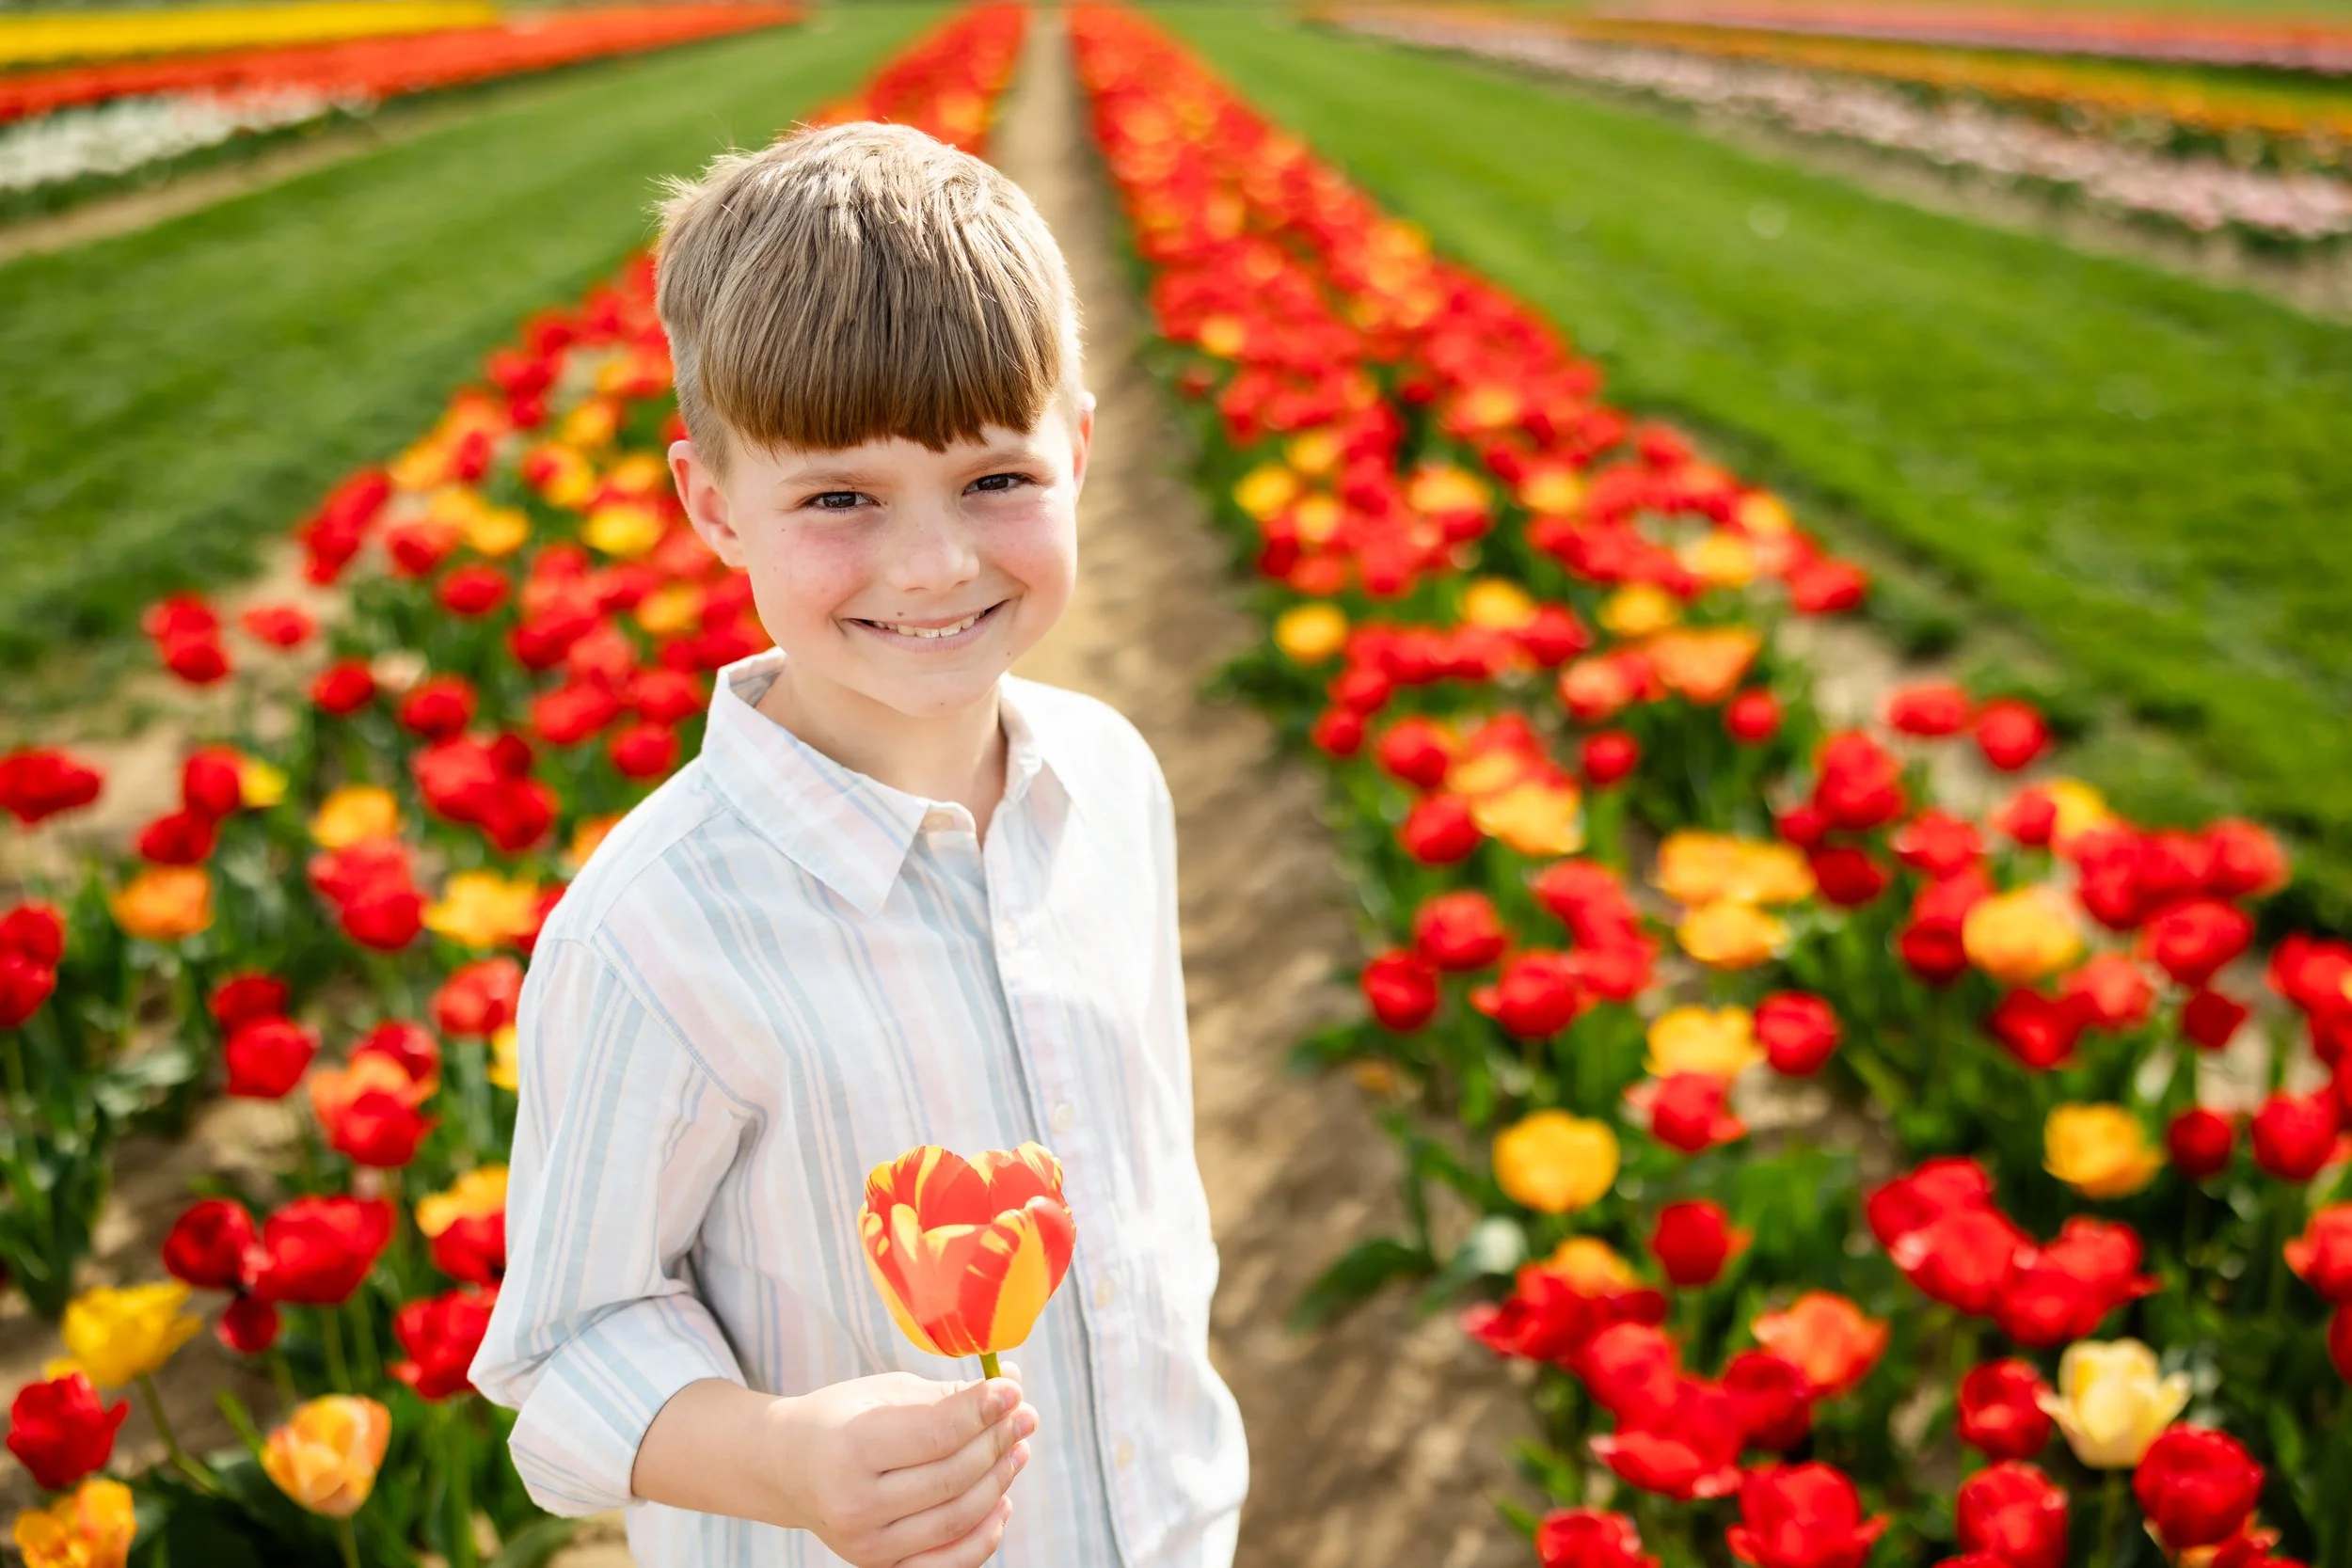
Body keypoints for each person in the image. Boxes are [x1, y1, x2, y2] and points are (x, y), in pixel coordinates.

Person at [469, 121, 1246, 1567]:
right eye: (841, 498)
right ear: (711, 504)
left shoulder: (1111, 784)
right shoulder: (657, 930)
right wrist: (781, 1456)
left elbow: (1142, 1175)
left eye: (996, 479)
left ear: (1078, 445)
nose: (935, 562)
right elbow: (565, 1351)